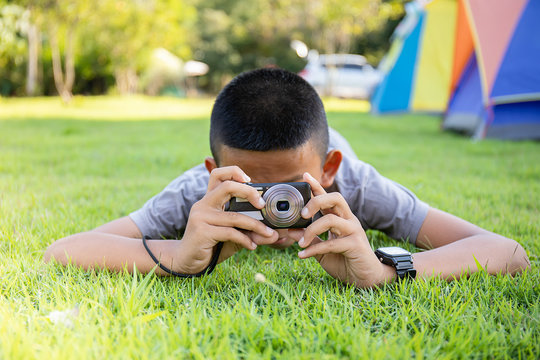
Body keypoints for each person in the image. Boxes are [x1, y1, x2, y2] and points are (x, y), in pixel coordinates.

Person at [44, 68, 529, 288]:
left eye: (293, 189)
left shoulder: (354, 185)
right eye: (252, 191)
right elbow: (63, 250)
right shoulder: (205, 193)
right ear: (216, 174)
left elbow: (508, 251)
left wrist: (382, 270)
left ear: (330, 171)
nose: (273, 202)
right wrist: (178, 255)